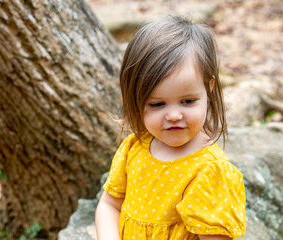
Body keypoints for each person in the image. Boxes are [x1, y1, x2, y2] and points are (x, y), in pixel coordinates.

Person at [95, 15, 246, 240]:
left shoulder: (209, 172)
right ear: (135, 100)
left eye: (187, 101)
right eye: (157, 104)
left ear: (209, 87)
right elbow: (109, 205)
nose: (174, 115)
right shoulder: (135, 148)